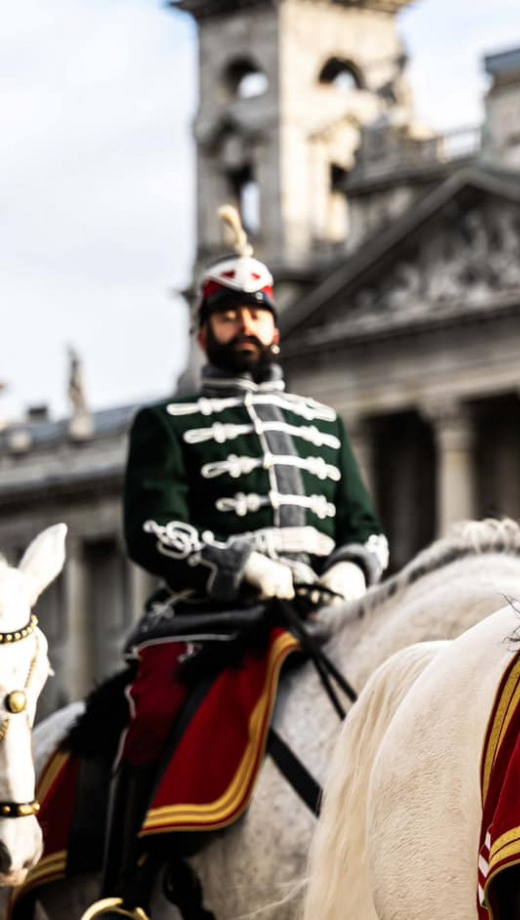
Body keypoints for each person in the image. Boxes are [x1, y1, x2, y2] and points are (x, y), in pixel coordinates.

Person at [100, 205, 388, 910]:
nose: (245, 326)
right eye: (228, 317)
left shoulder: (323, 424)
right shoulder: (167, 424)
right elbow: (150, 527)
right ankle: (122, 892)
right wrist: (242, 567)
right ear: (204, 333)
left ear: (275, 327)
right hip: (210, 621)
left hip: (321, 614)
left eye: (256, 314)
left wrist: (348, 572)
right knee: (150, 719)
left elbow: (364, 527)